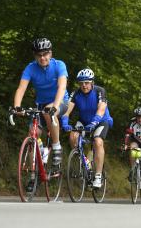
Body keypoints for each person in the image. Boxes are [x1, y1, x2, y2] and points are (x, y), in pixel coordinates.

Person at [13, 38, 69, 187]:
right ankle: (34, 175)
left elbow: (62, 87)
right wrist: (17, 106)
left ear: (50, 53)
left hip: (61, 101)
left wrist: (55, 106)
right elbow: (21, 88)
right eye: (39, 55)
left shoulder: (59, 65)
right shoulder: (30, 68)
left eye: (45, 54)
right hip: (42, 104)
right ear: (34, 56)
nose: (42, 58)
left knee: (47, 111)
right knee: (32, 133)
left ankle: (56, 147)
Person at [61, 68, 113, 188]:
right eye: (81, 83)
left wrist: (94, 122)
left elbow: (101, 108)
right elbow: (67, 111)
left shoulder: (100, 91)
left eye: (87, 82)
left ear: (92, 82)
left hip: (101, 121)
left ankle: (98, 176)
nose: (84, 85)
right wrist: (64, 123)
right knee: (73, 135)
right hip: (84, 121)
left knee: (98, 141)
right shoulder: (76, 93)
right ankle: (84, 161)